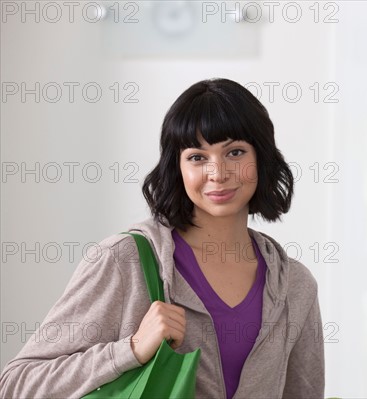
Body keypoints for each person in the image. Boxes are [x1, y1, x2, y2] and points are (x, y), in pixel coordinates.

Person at [0, 78, 325, 398]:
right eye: (197, 157)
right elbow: (17, 384)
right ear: (178, 167)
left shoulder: (295, 286)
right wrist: (131, 350)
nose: (218, 173)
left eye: (235, 152)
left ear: (261, 158)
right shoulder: (123, 260)